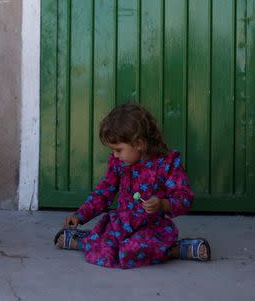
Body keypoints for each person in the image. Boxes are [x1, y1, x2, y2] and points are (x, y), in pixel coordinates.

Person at [54, 103, 210, 268]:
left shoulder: (167, 164)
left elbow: (184, 198)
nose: (115, 155)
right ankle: (83, 241)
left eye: (119, 149)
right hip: (120, 225)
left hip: (151, 228)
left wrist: (163, 204)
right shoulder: (118, 163)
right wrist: (80, 216)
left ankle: (175, 250)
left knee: (132, 250)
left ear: (139, 143)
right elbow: (104, 193)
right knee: (106, 252)